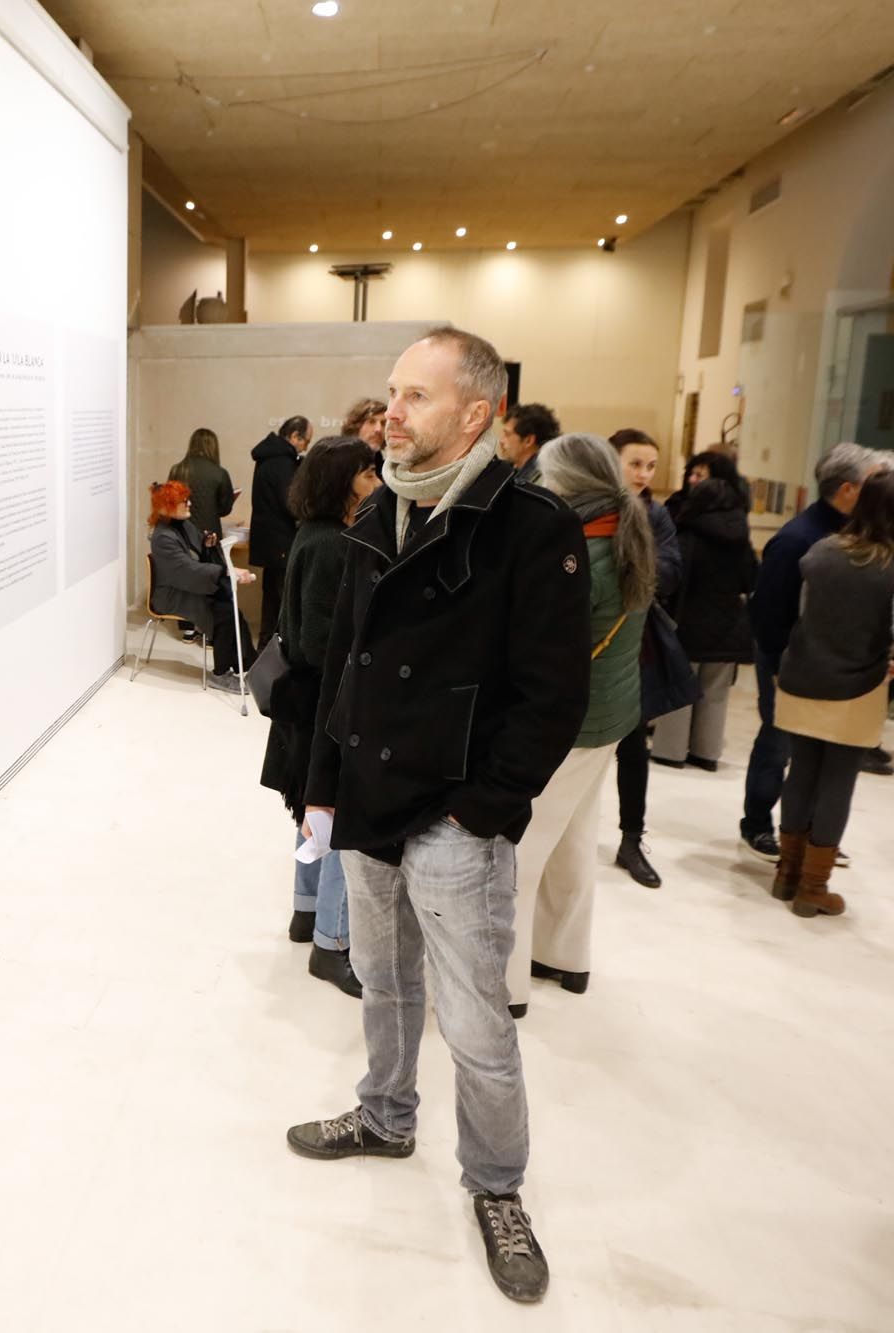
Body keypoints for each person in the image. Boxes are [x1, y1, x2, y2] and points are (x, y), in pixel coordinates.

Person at [286, 326, 590, 1305]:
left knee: (473, 1022)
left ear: (476, 413)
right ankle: (383, 1114)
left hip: (451, 817)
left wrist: (478, 813)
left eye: (413, 396)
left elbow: (551, 698)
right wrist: (321, 784)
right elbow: (344, 659)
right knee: (381, 978)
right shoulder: (381, 509)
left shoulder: (529, 527)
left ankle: (496, 1187)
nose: (391, 414)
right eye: (388, 394)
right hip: (370, 797)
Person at [504, 435, 654, 1009]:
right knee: (572, 840)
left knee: (515, 852)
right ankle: (564, 957)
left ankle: (505, 986)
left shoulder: (579, 552)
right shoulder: (626, 531)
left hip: (566, 723)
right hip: (611, 715)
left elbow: (537, 644)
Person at [772, 471, 894, 916]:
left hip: (802, 675)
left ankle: (786, 875)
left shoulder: (821, 551)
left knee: (801, 772)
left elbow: (806, 615)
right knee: (838, 781)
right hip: (858, 684)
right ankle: (814, 888)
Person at [262, 438, 379, 997]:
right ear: (342, 480)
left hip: (310, 700)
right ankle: (332, 945)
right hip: (327, 701)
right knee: (337, 821)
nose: (375, 479)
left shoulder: (315, 533)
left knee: (316, 817)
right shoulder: (335, 543)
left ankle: (307, 914)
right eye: (366, 472)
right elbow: (315, 638)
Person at [738, 443, 884, 859]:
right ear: (848, 489)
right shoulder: (797, 538)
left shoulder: (855, 533)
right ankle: (758, 824)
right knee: (778, 743)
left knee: (819, 750)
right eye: (871, 482)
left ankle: (809, 834)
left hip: (828, 663)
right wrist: (778, 665)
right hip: (788, 661)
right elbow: (768, 611)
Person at [606, 429, 681, 887]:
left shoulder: (657, 514)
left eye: (651, 466)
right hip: (586, 647)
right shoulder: (585, 506)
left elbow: (671, 572)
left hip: (634, 647)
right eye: (636, 463)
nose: (644, 474)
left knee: (634, 747)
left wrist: (627, 567)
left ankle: (631, 838)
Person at [652, 450, 755, 771]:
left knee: (680, 686)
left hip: (687, 622)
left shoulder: (688, 533)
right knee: (715, 694)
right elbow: (752, 577)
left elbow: (674, 579)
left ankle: (670, 751)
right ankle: (707, 753)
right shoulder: (740, 535)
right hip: (728, 626)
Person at [147, 480, 254, 689]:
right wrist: (225, 571)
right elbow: (187, 570)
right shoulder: (162, 537)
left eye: (187, 499)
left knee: (229, 608)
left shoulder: (182, 526)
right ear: (168, 507)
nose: (189, 504)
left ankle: (247, 665)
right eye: (183, 501)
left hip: (184, 586)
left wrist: (207, 545)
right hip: (170, 594)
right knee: (224, 613)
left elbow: (197, 560)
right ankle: (221, 674)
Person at [249, 415, 311, 645]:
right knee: (284, 603)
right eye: (306, 441)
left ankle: (265, 650)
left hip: (269, 542)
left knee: (271, 601)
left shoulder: (268, 458)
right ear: (295, 436)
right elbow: (291, 503)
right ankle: (277, 654)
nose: (306, 447)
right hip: (282, 542)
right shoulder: (283, 462)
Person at [168, 427, 237, 544]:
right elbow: (225, 510)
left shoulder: (177, 470)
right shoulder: (220, 473)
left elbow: (169, 502)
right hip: (209, 536)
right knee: (208, 563)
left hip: (181, 534)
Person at [498, 402, 561, 479]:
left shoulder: (542, 482)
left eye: (507, 435)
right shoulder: (514, 470)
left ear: (528, 441)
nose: (501, 441)